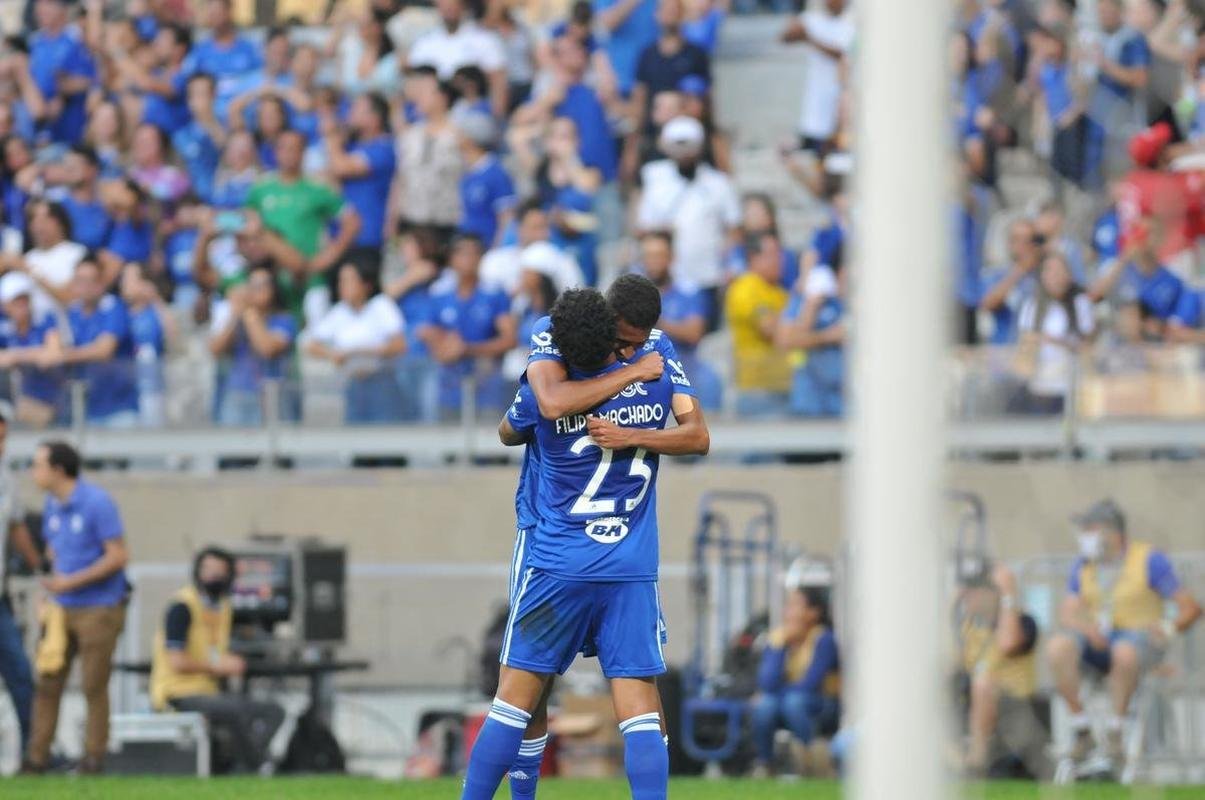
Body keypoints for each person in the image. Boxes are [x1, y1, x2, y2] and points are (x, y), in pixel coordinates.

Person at [461, 287, 705, 800]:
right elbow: (697, 434)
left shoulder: (549, 379)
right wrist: (637, 400)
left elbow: (512, 427)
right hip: (629, 561)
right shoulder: (656, 368)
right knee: (638, 703)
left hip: (557, 557)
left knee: (516, 696)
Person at [1045, 499, 1202, 768]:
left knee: (1125, 651)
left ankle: (1116, 733)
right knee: (1058, 646)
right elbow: (1068, 612)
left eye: (1091, 529)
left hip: (1139, 644)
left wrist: (1167, 627)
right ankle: (1082, 730)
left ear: (1113, 533)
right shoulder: (1084, 565)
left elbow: (1189, 607)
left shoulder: (1149, 559)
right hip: (1099, 644)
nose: (1085, 537)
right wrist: (1087, 629)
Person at [26, 441, 130, 775]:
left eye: (38, 465)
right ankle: (36, 758)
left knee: (93, 685)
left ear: (58, 469)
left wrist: (70, 583)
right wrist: (51, 592)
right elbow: (57, 551)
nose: (34, 472)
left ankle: (93, 758)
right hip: (61, 609)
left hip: (98, 607)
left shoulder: (96, 502)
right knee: (47, 682)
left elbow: (118, 555)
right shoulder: (52, 504)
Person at [148, 546, 284, 773]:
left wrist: (230, 662)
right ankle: (254, 767)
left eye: (219, 572)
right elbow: (176, 662)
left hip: (209, 691)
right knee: (236, 711)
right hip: (177, 693)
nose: (213, 577)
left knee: (273, 711)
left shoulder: (223, 607)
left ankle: (244, 766)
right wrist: (217, 667)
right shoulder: (181, 607)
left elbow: (213, 648)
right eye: (208, 570)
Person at [246, 129, 362, 322]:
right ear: (276, 152)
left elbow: (352, 222)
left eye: (295, 149)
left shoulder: (318, 188)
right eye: (284, 149)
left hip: (311, 277)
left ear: (303, 153)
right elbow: (247, 224)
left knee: (317, 334)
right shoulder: (261, 188)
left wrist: (329, 255)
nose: (289, 154)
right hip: (273, 279)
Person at [636, 116, 740, 317]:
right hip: (668, 281)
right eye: (677, 146)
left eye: (688, 146)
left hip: (708, 276)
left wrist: (730, 263)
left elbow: (734, 228)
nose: (683, 154)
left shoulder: (718, 183)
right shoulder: (655, 179)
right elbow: (644, 227)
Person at [954, 562, 1041, 777]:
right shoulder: (969, 627)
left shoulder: (1023, 621)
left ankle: (977, 761)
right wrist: (952, 603)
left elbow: (1007, 643)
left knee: (983, 683)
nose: (969, 596)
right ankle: (954, 762)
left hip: (1013, 704)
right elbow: (948, 664)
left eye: (975, 590)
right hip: (974, 705)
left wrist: (1007, 594)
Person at [750, 585, 840, 778]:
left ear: (814, 612)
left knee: (794, 702)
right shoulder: (778, 638)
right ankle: (765, 763)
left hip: (821, 703)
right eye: (788, 606)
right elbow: (766, 683)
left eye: (795, 606)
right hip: (788, 701)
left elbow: (811, 684)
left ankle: (810, 761)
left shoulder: (823, 639)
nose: (789, 612)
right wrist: (780, 647)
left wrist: (780, 694)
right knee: (765, 704)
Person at [425, 235, 517, 418]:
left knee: (489, 439)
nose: (469, 259)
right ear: (451, 259)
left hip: (487, 385)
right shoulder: (438, 293)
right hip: (449, 388)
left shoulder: (494, 293)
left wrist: (468, 349)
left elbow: (509, 339)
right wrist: (444, 349)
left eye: (474, 253)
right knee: (447, 440)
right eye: (462, 253)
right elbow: (427, 332)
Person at [306, 260, 407, 425]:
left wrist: (357, 352)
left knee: (386, 439)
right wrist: (332, 354)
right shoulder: (339, 312)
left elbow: (399, 345)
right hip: (352, 384)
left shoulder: (381, 305)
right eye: (341, 281)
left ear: (365, 284)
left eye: (349, 280)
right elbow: (311, 345)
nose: (343, 286)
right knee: (355, 438)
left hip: (381, 383)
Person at [48, 258, 141, 428]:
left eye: (90, 280)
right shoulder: (71, 313)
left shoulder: (113, 307)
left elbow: (104, 350)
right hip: (86, 408)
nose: (84, 286)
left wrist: (64, 355)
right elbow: (53, 348)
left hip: (119, 406)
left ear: (100, 283)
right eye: (79, 280)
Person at [635, 231, 721, 410]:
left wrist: (651, 319)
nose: (654, 261)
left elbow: (694, 333)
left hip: (685, 370)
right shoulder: (630, 295)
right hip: (642, 376)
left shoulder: (688, 292)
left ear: (671, 258)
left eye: (659, 255)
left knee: (711, 381)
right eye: (649, 256)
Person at [0, 410, 43, 757]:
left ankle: (36, 752)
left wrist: (41, 567)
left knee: (20, 674)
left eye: (3, 438)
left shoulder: (4, 477)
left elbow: (16, 528)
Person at [208, 263, 299, 426]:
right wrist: (234, 315)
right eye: (251, 286)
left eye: (260, 286)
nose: (253, 291)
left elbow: (267, 348)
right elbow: (215, 350)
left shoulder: (283, 321)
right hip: (237, 393)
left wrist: (249, 313)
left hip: (270, 398)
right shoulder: (237, 318)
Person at [1009, 253, 1095, 416]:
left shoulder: (1080, 304)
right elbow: (1025, 343)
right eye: (1050, 271)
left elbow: (1087, 345)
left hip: (1071, 387)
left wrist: (1053, 340)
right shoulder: (1032, 306)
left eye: (1060, 271)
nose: (1056, 276)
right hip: (1040, 387)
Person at [321, 93, 396, 275]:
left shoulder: (383, 148)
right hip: (339, 236)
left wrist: (331, 135)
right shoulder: (350, 147)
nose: (350, 114)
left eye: (357, 109)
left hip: (365, 237)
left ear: (375, 117)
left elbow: (340, 168)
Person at [726, 232, 791, 417]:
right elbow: (770, 329)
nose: (780, 260)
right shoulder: (745, 287)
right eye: (773, 255)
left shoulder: (780, 293)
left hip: (783, 386)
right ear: (754, 258)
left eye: (780, 254)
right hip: (756, 390)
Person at [408, 0, 509, 117]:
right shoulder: (424, 43)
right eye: (444, 6)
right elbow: (413, 84)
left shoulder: (484, 39)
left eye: (452, 6)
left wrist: (498, 114)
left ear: (462, 6)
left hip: (471, 112)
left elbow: (498, 81)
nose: (448, 10)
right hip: (433, 114)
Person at [780, 0, 854, 154]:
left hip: (834, 102)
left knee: (829, 151)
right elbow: (785, 38)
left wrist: (809, 38)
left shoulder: (849, 24)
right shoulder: (812, 19)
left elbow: (840, 53)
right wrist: (794, 23)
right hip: (810, 101)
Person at [0, 272, 65, 427]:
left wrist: (14, 356)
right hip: (22, 399)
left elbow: (53, 355)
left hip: (53, 398)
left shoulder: (44, 320)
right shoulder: (5, 327)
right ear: (5, 305)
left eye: (25, 300)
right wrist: (33, 354)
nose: (22, 305)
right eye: (16, 301)